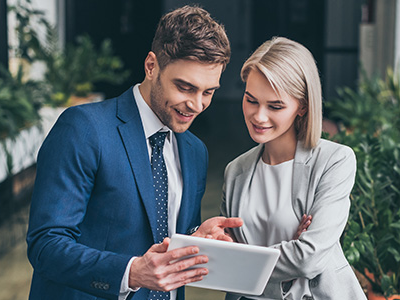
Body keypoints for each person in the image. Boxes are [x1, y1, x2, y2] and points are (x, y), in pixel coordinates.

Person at [26, 5, 242, 300]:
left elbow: (160, 235)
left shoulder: (194, 151)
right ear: (151, 66)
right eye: (184, 87)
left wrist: (196, 239)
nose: (196, 105)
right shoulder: (84, 128)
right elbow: (46, 244)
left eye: (208, 92)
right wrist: (130, 272)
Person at [221, 37, 366, 300]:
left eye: (275, 106)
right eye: (251, 100)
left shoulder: (335, 161)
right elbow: (226, 267)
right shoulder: (236, 171)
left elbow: (308, 260)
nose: (258, 116)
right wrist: (290, 252)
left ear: (303, 107)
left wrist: (248, 262)